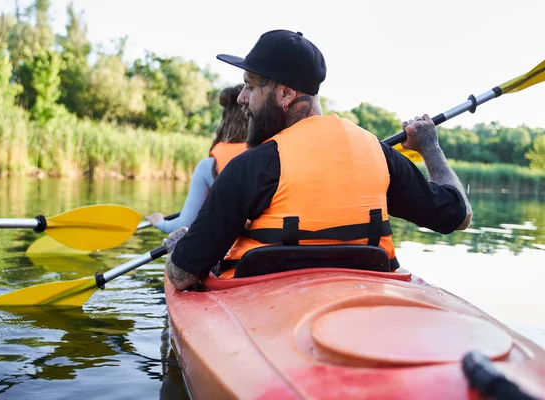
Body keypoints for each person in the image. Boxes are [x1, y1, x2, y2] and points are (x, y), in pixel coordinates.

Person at [162, 29, 473, 290]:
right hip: (366, 302)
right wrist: (430, 147)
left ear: (285, 94)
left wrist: (179, 248)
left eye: (251, 85)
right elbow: (459, 217)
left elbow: (181, 275)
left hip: (264, 318)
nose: (242, 97)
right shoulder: (378, 154)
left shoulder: (250, 167)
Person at [145, 84, 248, 234]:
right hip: (270, 248)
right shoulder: (270, 153)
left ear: (224, 118)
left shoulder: (209, 167)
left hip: (232, 253)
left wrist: (159, 222)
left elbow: (185, 224)